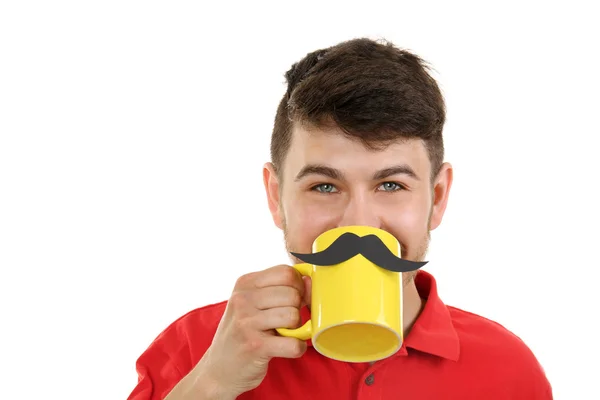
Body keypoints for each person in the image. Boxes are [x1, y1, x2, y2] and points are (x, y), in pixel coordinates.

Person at [127, 38, 553, 399]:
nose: (358, 226)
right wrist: (211, 383)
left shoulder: (509, 370)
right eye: (325, 187)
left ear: (437, 198)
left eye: (391, 185)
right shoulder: (196, 349)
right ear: (276, 197)